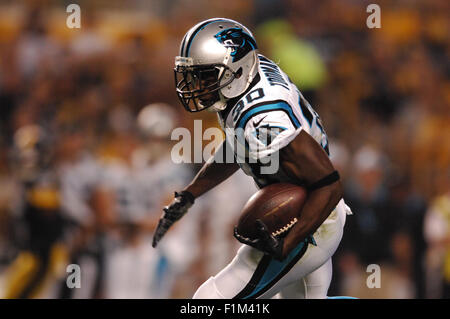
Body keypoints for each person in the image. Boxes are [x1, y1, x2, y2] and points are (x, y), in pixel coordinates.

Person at [152, 18, 352, 299]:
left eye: (206, 75)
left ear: (237, 69)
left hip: (310, 221)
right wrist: (190, 194)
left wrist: (288, 244)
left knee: (210, 300)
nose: (196, 84)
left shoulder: (263, 118)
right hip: (306, 216)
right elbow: (241, 145)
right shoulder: (248, 79)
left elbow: (329, 185)